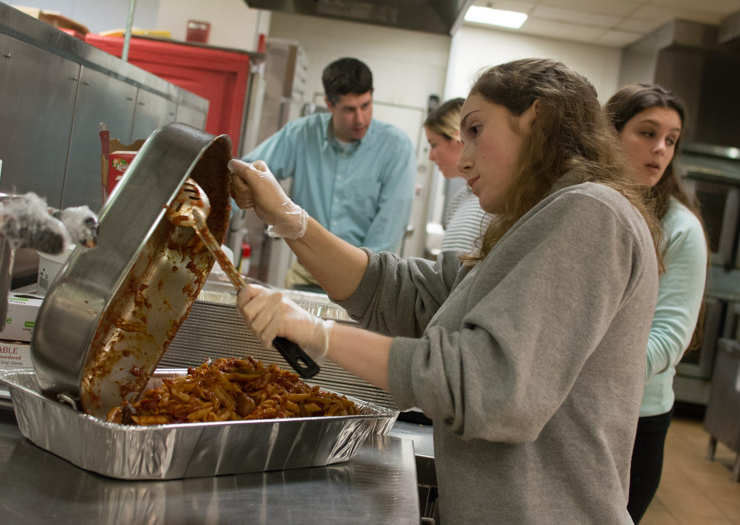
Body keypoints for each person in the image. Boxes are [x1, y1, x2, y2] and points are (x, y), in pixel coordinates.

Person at [232, 58, 661, 523]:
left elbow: (490, 387)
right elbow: (408, 293)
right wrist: (288, 218)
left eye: (476, 130)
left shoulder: (590, 212)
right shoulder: (534, 222)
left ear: (537, 117)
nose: (463, 157)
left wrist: (321, 334)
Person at [605, 84, 708, 524]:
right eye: (647, 133)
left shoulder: (680, 229)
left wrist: (579, 373)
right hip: (561, 406)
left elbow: (668, 340)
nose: (660, 149)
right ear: (608, 133)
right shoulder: (584, 203)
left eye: (671, 139)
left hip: (634, 419)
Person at [242, 57, 416, 289]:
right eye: (349, 109)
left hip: (364, 280)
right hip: (306, 273)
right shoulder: (301, 135)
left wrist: (359, 282)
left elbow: (387, 232)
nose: (360, 119)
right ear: (330, 104)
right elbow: (247, 173)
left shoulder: (396, 147)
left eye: (365, 105)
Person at [423, 97, 492, 252]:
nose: (431, 157)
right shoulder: (458, 200)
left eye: (434, 144)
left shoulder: (493, 201)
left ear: (458, 139)